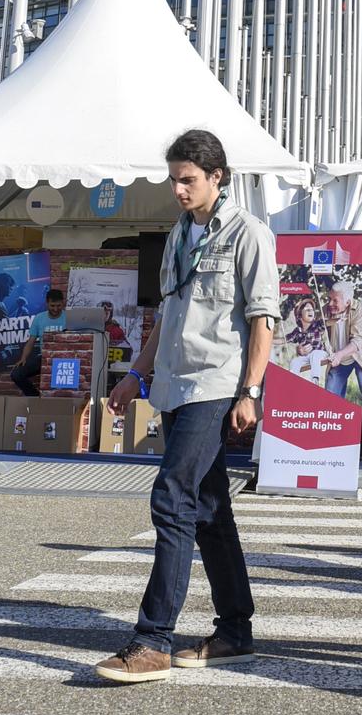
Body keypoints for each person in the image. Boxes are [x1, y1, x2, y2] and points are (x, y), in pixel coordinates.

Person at [94, 128, 279, 685]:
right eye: (173, 179)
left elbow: (262, 319)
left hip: (216, 386)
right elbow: (168, 317)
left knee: (172, 499)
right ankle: (235, 631)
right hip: (173, 387)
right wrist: (134, 376)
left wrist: (250, 391)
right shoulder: (177, 235)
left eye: (188, 180)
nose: (178, 189)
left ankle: (152, 640)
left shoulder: (249, 233)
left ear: (217, 177)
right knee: (209, 509)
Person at [8, 287, 68, 396]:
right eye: (52, 306)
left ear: (63, 303)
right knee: (16, 374)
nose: (55, 309)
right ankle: (35, 398)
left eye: (58, 306)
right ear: (47, 304)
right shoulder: (39, 318)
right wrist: (23, 358)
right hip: (44, 357)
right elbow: (31, 341)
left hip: (64, 359)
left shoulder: (69, 317)